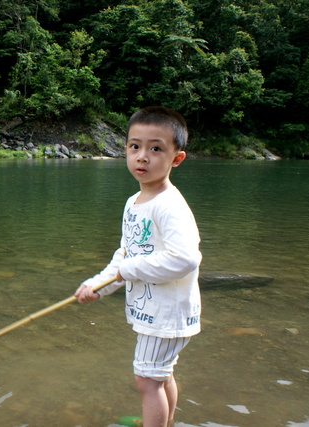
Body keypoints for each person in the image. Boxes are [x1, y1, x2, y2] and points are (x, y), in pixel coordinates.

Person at [75, 106, 202, 427]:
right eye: (135, 146)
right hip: (155, 310)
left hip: (168, 313)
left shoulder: (169, 205)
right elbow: (126, 254)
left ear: (177, 158)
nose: (142, 156)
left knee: (147, 380)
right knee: (159, 375)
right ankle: (165, 421)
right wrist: (99, 285)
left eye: (155, 148)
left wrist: (129, 271)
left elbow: (185, 258)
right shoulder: (134, 202)